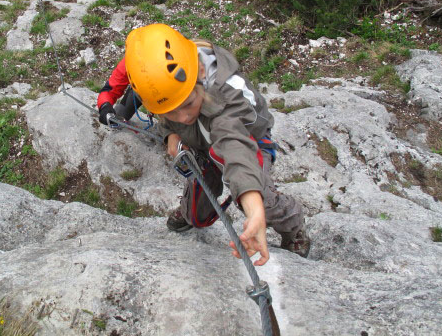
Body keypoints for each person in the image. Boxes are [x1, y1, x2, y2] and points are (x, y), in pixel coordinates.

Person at [123, 23, 310, 263]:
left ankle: (293, 226)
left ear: (201, 71)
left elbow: (236, 149)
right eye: (172, 112)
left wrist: (253, 209)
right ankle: (190, 210)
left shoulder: (227, 99)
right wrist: (171, 132)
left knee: (257, 198)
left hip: (247, 139)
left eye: (188, 104)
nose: (184, 117)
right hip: (201, 141)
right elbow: (171, 112)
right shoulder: (168, 81)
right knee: (196, 207)